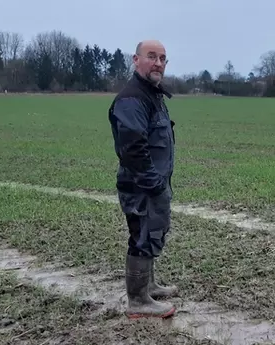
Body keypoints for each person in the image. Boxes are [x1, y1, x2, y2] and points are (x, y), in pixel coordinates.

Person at [107, 39, 178, 319]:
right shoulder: (133, 98)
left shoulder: (152, 94)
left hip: (152, 183)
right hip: (142, 185)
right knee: (143, 235)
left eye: (162, 58)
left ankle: (148, 285)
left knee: (153, 232)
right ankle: (138, 301)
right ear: (136, 60)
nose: (158, 62)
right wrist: (154, 184)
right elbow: (133, 147)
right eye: (151, 56)